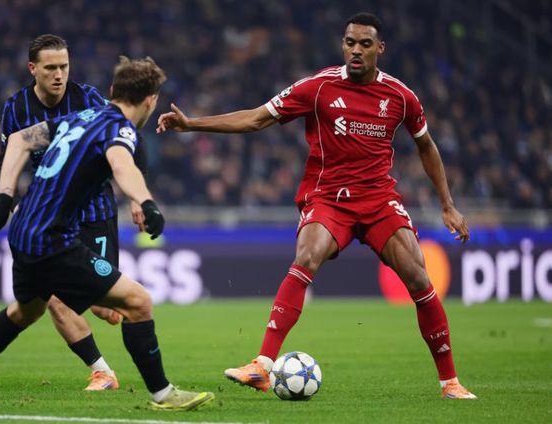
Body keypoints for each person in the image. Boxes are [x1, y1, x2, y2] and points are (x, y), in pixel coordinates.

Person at [157, 12, 477, 400]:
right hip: (329, 198)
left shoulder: (400, 97)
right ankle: (262, 365)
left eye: (364, 44)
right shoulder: (318, 87)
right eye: (349, 42)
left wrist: (447, 204)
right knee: (306, 256)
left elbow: (426, 145)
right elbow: (256, 119)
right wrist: (192, 124)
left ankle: (450, 383)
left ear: (379, 48)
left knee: (419, 279)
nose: (355, 50)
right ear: (342, 45)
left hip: (378, 200)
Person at [0, 56, 215, 411]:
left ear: (113, 90)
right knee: (138, 302)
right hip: (52, 240)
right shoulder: (119, 129)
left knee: (28, 310)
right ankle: (163, 394)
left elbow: (20, 139)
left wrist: (4, 197)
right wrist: (146, 201)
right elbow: (122, 164)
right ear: (151, 100)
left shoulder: (80, 117)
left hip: (24, 230)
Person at [0, 34, 145, 391]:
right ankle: (102, 372)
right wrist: (11, 201)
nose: (59, 74)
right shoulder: (16, 109)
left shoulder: (89, 99)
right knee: (56, 299)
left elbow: (121, 144)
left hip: (95, 211)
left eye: (64, 66)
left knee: (104, 309)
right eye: (51, 67)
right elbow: (10, 158)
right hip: (49, 218)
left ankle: (125, 309)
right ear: (33, 69)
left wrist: (137, 198)